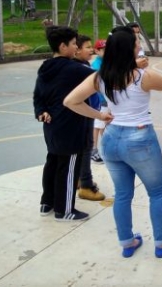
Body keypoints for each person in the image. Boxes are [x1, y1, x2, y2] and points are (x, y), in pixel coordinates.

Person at [64, 26, 162, 258]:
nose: (140, 46)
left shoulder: (99, 77)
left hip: (111, 140)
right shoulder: (142, 77)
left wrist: (100, 116)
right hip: (140, 138)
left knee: (122, 195)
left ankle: (127, 242)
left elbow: (70, 101)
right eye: (136, 43)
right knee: (157, 193)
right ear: (129, 49)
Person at [33, 26, 95, 221]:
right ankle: (65, 209)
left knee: (52, 163)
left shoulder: (45, 68)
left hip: (51, 126)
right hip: (70, 127)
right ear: (62, 46)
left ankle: (47, 203)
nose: (76, 47)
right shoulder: (74, 69)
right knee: (68, 168)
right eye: (74, 44)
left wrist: (40, 112)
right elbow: (101, 78)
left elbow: (38, 96)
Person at [73, 35, 106, 202]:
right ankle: (86, 185)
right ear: (76, 49)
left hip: (89, 112)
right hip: (83, 115)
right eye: (87, 47)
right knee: (85, 148)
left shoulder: (84, 65)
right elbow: (101, 78)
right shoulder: (79, 69)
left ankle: (80, 179)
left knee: (84, 148)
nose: (91, 50)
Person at [90, 39, 107, 164]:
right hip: (100, 101)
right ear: (97, 50)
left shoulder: (107, 63)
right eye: (103, 50)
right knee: (98, 125)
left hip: (107, 100)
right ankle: (93, 149)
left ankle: (104, 148)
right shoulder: (96, 66)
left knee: (103, 125)